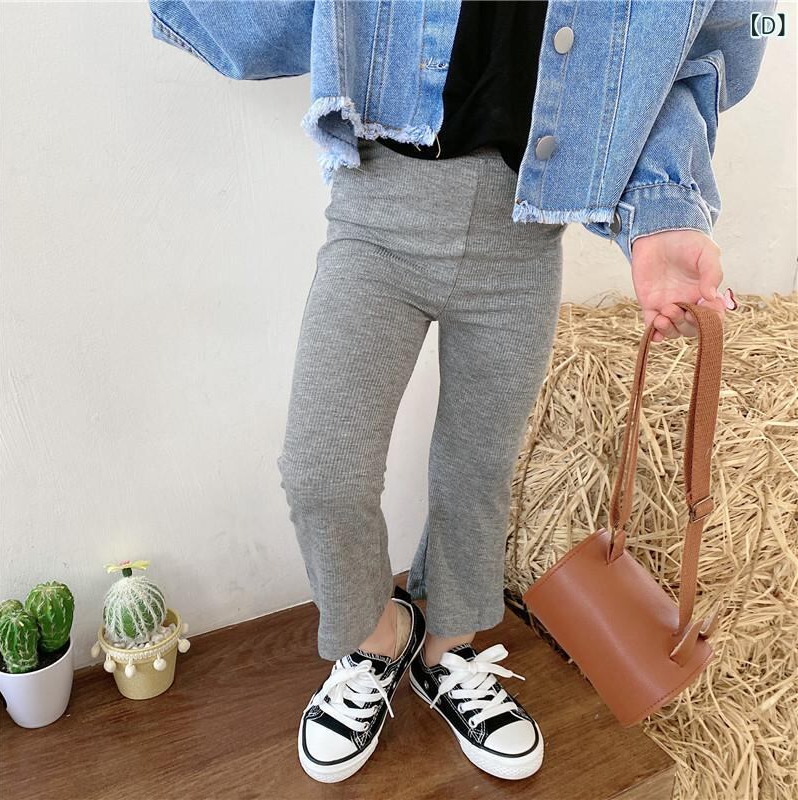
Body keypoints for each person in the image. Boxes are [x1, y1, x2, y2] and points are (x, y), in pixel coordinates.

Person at [148, 0, 768, 784]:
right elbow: (257, 27)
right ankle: (377, 640)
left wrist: (663, 212)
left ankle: (449, 649)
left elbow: (706, 47)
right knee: (320, 472)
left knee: (475, 476)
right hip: (377, 215)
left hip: (523, 241)